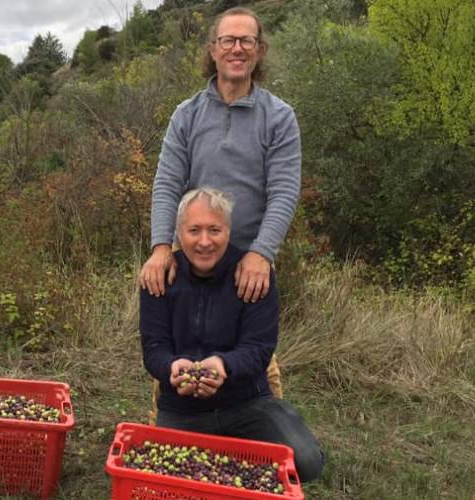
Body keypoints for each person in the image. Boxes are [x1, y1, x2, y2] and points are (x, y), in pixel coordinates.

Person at [139, 187, 323, 482]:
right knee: (165, 477)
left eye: (214, 230)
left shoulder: (254, 275)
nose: (204, 241)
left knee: (307, 462)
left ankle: (251, 445)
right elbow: (154, 348)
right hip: (182, 408)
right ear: (179, 233)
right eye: (194, 230)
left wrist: (224, 365)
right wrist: (171, 368)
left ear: (228, 231)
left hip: (247, 402)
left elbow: (259, 348)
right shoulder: (159, 276)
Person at [138, 7, 301, 305]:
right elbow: (167, 184)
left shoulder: (280, 117)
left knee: (253, 338)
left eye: (247, 40)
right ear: (213, 50)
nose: (237, 49)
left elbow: (284, 192)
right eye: (228, 40)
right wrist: (161, 247)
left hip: (248, 266)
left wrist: (262, 253)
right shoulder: (186, 115)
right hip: (189, 259)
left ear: (260, 50)